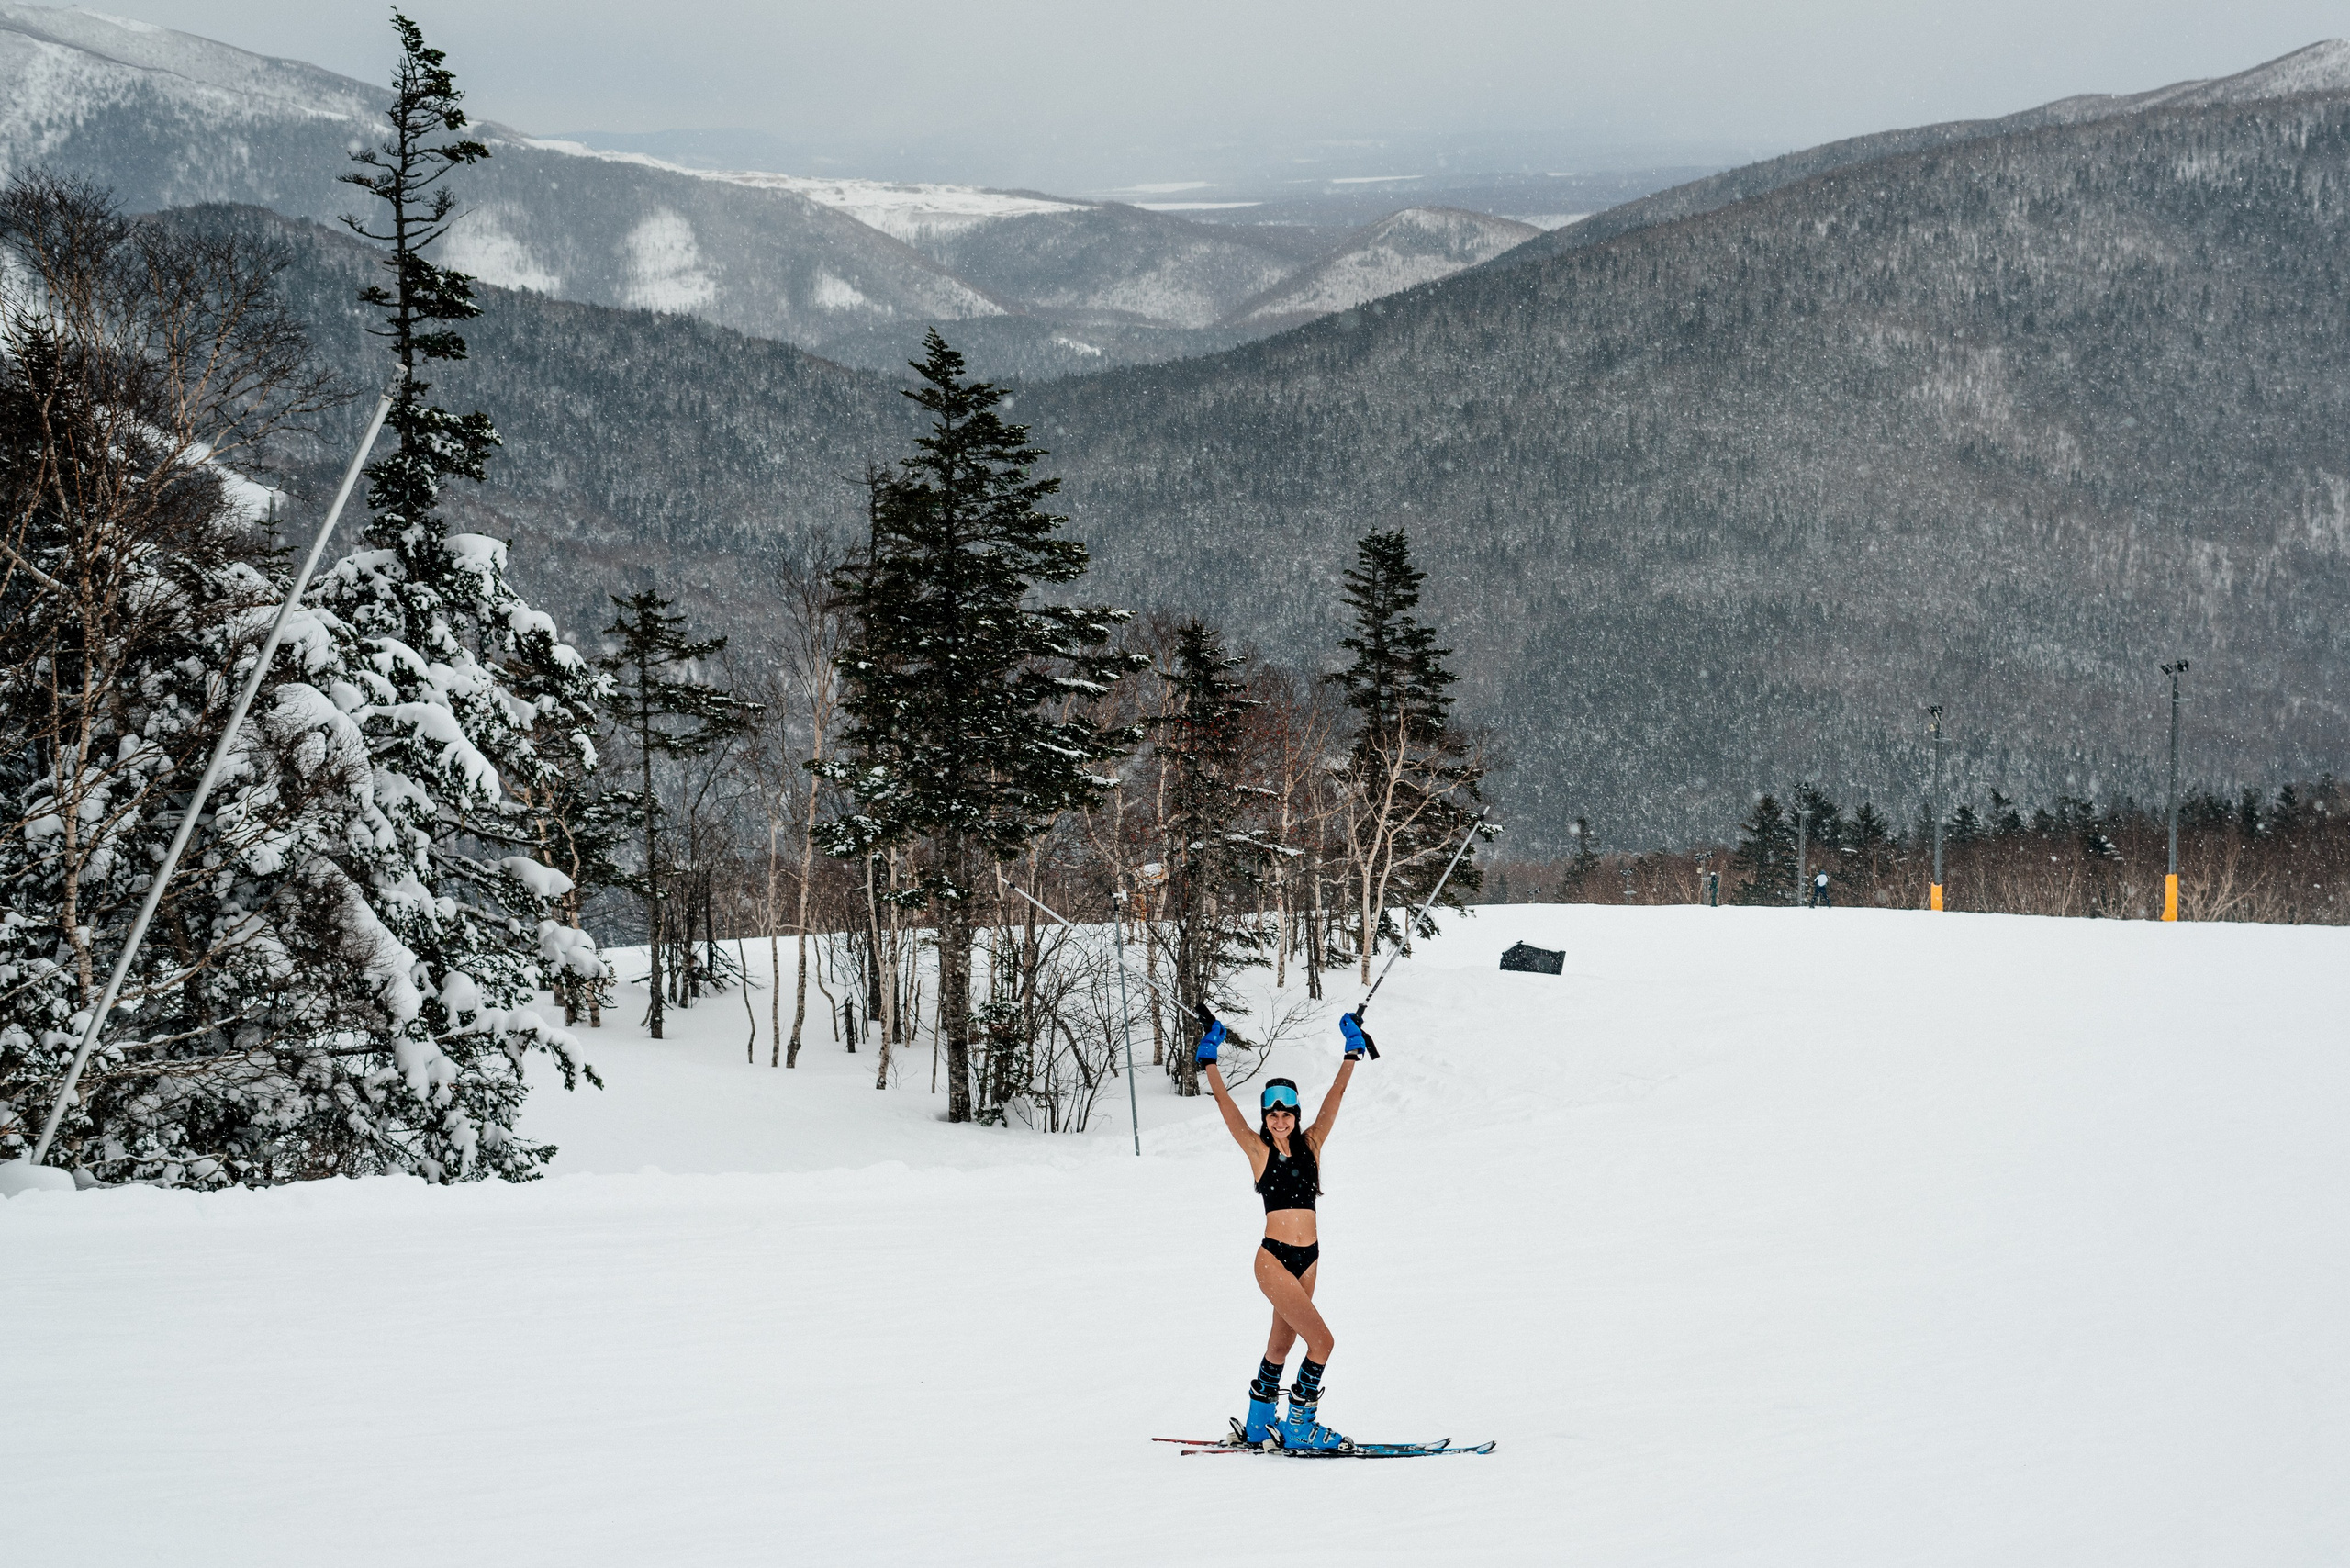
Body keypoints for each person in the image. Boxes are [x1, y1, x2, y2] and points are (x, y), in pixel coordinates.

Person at [1195, 1008, 1372, 1450]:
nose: (1279, 1120)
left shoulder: (1311, 1146)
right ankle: (1299, 1425)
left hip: (1309, 1258)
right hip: (1274, 1257)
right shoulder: (1258, 1151)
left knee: (1281, 1344)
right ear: (1265, 1117)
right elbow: (1227, 1108)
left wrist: (1351, 1054)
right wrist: (1209, 1061)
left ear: (1296, 1114)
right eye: (1272, 1113)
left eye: (1287, 1112)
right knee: (1323, 1342)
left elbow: (1334, 1098)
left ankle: (1258, 1424)